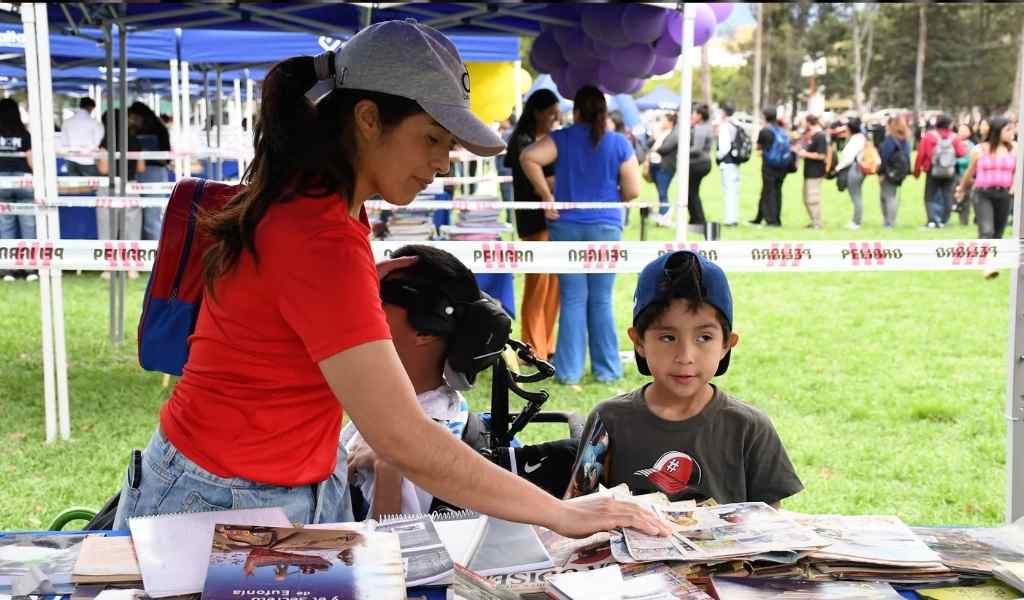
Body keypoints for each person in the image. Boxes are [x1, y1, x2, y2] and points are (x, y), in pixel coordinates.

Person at [110, 21, 668, 539]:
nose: (445, 161)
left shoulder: (325, 207)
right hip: (226, 500)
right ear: (368, 118)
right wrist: (561, 513)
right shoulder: (317, 232)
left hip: (274, 481)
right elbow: (402, 436)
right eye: (432, 139)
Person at [563, 251, 803, 506]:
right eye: (668, 337)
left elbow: (773, 523)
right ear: (639, 342)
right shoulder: (609, 420)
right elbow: (578, 510)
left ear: (726, 345)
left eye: (704, 338)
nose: (685, 356)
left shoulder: (749, 427)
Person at [342, 245, 477, 519]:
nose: (362, 314)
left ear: (425, 330)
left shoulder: (431, 429)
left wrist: (388, 468)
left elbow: (396, 548)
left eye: (378, 304)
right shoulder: (397, 404)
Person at [520, 85, 642, 386]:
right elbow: (634, 190)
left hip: (566, 225)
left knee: (573, 298)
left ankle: (568, 371)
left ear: (575, 112)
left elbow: (528, 157)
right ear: (603, 110)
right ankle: (607, 370)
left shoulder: (561, 139)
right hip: (606, 225)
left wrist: (546, 194)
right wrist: (618, 194)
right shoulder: (619, 143)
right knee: (601, 299)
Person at [505, 89, 560, 360]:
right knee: (538, 283)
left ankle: (547, 344)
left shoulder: (540, 141)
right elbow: (541, 183)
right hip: (534, 218)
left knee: (553, 284)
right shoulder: (523, 142)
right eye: (551, 113)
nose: (554, 118)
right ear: (537, 112)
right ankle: (531, 345)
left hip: (551, 220)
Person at [956, 116, 1017, 277]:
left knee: (998, 232)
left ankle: (992, 261)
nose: (1012, 133)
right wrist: (961, 188)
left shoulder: (1014, 149)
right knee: (986, 229)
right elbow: (970, 172)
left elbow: (1018, 172)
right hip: (983, 193)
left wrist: (1013, 188)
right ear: (997, 131)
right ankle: (988, 265)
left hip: (1004, 194)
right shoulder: (979, 149)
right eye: (1008, 130)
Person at [96, 109, 144, 279]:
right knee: (132, 227)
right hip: (131, 186)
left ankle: (109, 268)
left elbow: (104, 168)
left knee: (107, 228)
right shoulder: (135, 140)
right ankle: (132, 268)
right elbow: (141, 168)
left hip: (109, 186)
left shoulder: (105, 141)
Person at [0, 97, 35, 282]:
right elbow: (31, 161)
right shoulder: (24, 134)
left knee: (5, 226)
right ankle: (30, 269)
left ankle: (8, 270)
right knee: (29, 225)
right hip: (24, 180)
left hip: (1, 181)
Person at [913, 113, 968, 228]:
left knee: (929, 196)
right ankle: (943, 220)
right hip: (949, 171)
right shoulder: (954, 137)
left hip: (932, 170)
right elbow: (962, 153)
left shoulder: (929, 136)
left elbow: (921, 155)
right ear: (950, 125)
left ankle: (932, 220)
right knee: (948, 195)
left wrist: (917, 171)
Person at [128, 101, 172, 241]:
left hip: (154, 174)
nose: (132, 121)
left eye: (134, 118)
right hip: (137, 173)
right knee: (136, 216)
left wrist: (145, 154)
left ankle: (155, 250)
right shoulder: (132, 131)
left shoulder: (159, 129)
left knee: (151, 217)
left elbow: (166, 159)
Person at [750, 107, 788, 227]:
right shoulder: (781, 130)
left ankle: (772, 221)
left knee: (769, 191)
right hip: (782, 166)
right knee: (776, 191)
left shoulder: (765, 131)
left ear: (765, 117)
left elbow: (759, 147)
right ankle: (760, 217)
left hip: (769, 165)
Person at [878, 115, 912, 228]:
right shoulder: (905, 139)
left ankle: (889, 222)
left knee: (887, 196)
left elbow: (885, 157)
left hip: (889, 171)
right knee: (892, 195)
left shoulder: (890, 139)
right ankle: (890, 221)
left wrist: (881, 173)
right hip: (900, 172)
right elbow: (907, 156)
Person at [833, 116, 867, 230]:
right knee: (857, 195)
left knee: (856, 196)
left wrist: (837, 168)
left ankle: (856, 222)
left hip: (854, 169)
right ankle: (856, 220)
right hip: (857, 168)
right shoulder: (860, 138)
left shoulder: (855, 140)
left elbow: (848, 158)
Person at [58, 97, 105, 177]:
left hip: (71, 159)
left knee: (75, 186)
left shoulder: (67, 122)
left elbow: (64, 142)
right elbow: (98, 142)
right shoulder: (95, 123)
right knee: (91, 186)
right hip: (88, 160)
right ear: (91, 107)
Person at [796, 114, 828, 229]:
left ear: (809, 122)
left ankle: (817, 223)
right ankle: (813, 220)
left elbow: (821, 155)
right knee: (806, 198)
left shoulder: (820, 136)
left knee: (813, 198)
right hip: (808, 171)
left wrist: (805, 154)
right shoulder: (811, 135)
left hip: (816, 172)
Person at [684, 103, 713, 226]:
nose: (692, 115)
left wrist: (682, 151)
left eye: (694, 113)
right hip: (702, 162)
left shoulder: (700, 129)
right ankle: (695, 218)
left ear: (700, 115)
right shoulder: (707, 127)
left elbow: (696, 149)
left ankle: (698, 219)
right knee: (692, 191)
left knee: (692, 192)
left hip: (698, 163)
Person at [647, 112, 677, 226]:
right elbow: (649, 144)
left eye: (664, 120)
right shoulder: (660, 133)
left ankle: (664, 215)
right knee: (660, 192)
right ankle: (662, 214)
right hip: (655, 165)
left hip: (665, 167)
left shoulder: (673, 135)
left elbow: (665, 149)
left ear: (670, 122)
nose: (661, 123)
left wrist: (656, 147)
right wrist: (654, 136)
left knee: (663, 192)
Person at [715, 103, 742, 227]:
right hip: (736, 161)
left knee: (729, 190)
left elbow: (725, 146)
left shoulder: (726, 126)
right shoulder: (736, 124)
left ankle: (730, 219)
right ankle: (733, 217)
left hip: (727, 162)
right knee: (734, 190)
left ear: (724, 112)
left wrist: (719, 156)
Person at [953, 123, 976, 226]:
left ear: (970, 132)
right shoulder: (954, 142)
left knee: (965, 198)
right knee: (959, 197)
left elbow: (969, 161)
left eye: (965, 130)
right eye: (960, 130)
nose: (961, 132)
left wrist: (954, 161)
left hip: (965, 175)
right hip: (955, 174)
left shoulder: (971, 145)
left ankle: (964, 221)